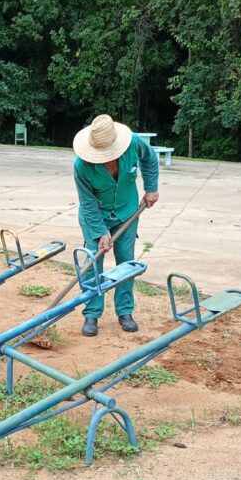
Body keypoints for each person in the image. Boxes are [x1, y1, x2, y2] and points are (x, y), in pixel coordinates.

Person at [73, 114, 160, 336]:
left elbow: (150, 159)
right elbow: (88, 202)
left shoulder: (133, 143)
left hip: (127, 211)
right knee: (93, 261)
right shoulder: (81, 166)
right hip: (95, 216)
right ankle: (92, 313)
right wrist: (100, 232)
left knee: (126, 262)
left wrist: (151, 187)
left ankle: (125, 312)